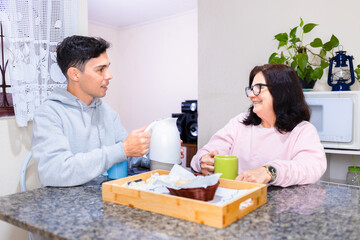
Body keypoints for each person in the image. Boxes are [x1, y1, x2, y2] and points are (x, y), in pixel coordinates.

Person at [31, 35, 151, 187]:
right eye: (100, 69)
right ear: (75, 74)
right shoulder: (49, 113)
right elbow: (55, 172)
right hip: (67, 206)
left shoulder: (107, 111)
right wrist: (122, 149)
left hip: (104, 197)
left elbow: (126, 155)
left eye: (107, 67)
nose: (109, 75)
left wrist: (156, 152)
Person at [190, 63, 326, 187]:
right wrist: (203, 160)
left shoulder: (302, 130)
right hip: (236, 201)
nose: (250, 95)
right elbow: (207, 152)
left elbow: (312, 166)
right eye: (251, 89)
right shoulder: (239, 123)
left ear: (283, 92)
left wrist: (270, 171)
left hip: (278, 208)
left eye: (258, 88)